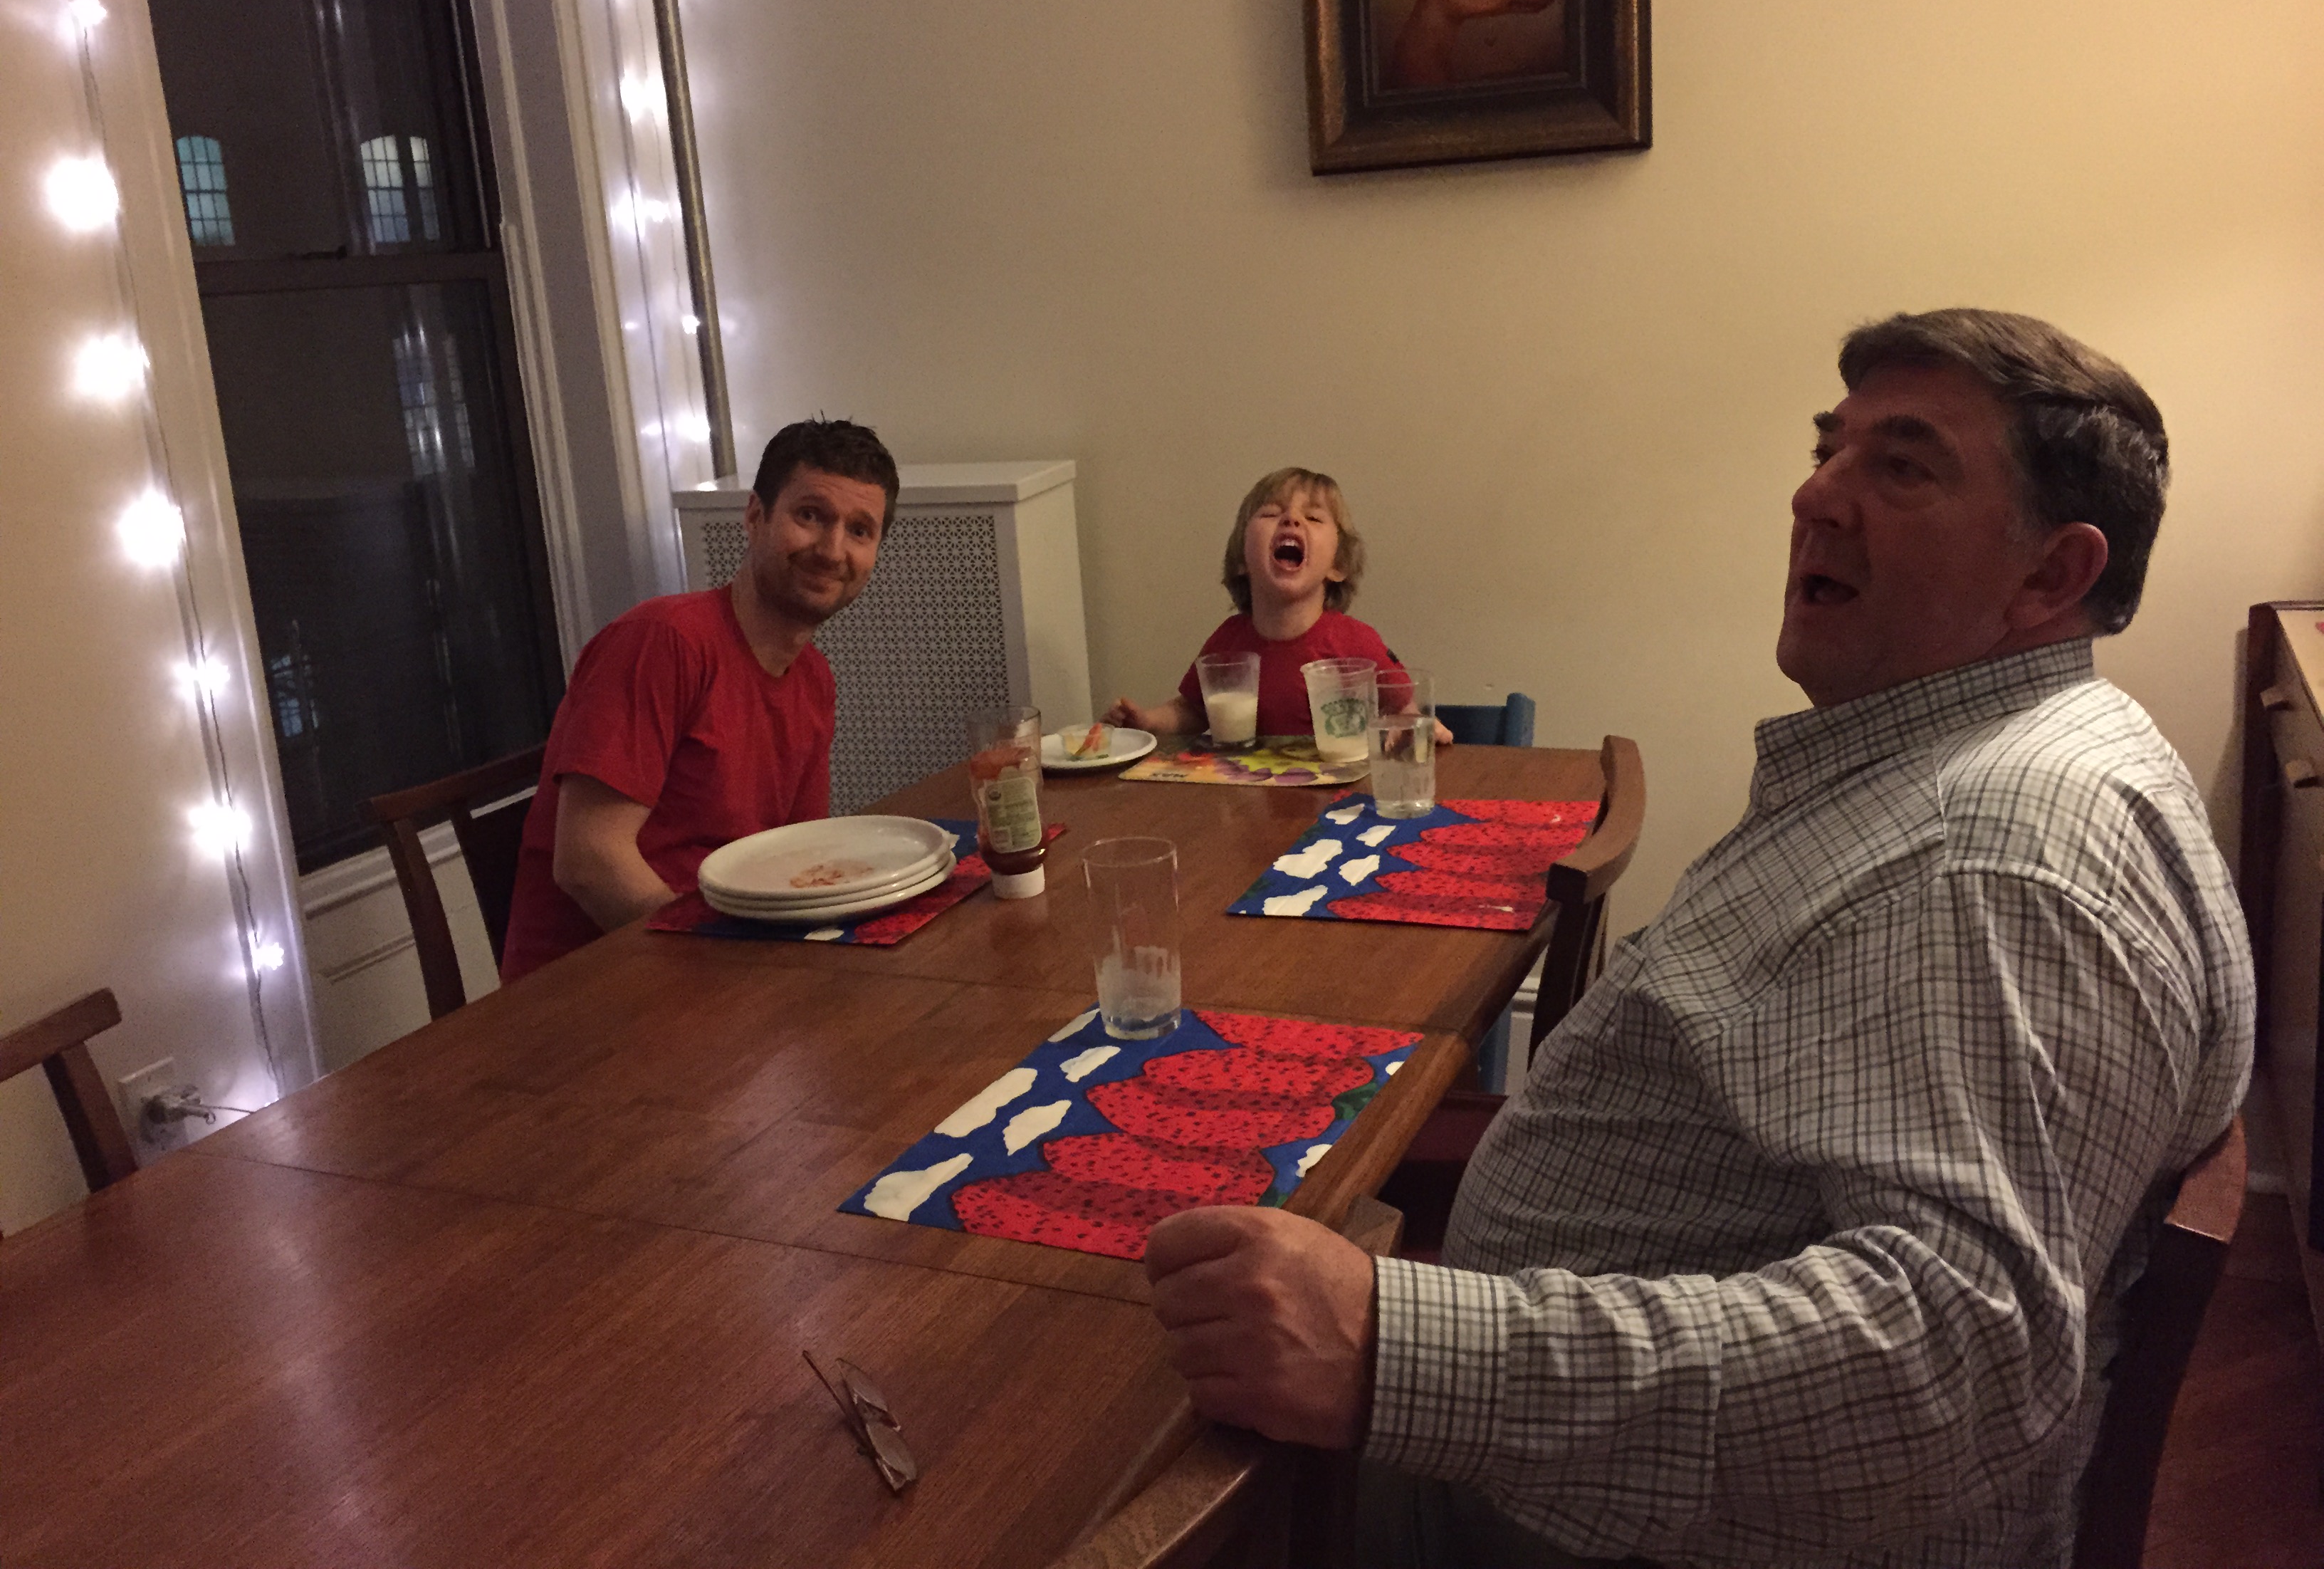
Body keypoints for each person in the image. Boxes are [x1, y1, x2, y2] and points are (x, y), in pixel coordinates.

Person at [1143, 311, 2254, 1568]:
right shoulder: (2007, 763)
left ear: (2049, 575)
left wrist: (1386, 1349)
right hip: (1595, 1476)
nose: (1813, 494)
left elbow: (1952, 1367)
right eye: (1827, 449)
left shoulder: (1990, 854)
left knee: (1083, 1431)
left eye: (1900, 465)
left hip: (1585, 1527)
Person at [498, 419, 899, 982]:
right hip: (595, 990)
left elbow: (796, 857)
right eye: (810, 515)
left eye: (859, 530)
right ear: (755, 517)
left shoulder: (814, 679)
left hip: (719, 966)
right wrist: (719, 971)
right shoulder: (663, 642)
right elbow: (589, 860)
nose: (832, 550)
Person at [1104, 466, 1425, 739]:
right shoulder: (1228, 642)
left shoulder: (1355, 642)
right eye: (1271, 513)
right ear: (1241, 559)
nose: (1291, 519)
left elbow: (1404, 708)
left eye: (1313, 517)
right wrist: (1147, 722)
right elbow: (1193, 710)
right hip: (1249, 790)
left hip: (1337, 791)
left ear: (1338, 565)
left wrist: (1410, 730)